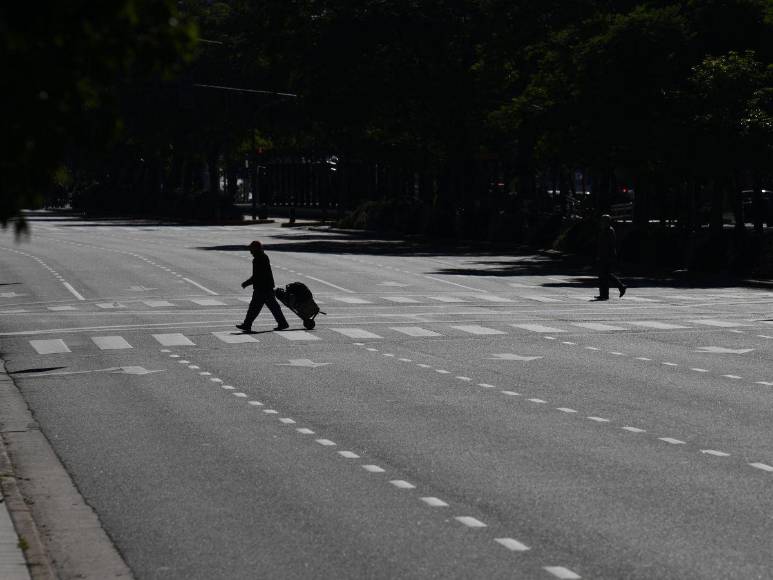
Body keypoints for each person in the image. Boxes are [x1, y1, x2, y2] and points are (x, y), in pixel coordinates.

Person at [236, 240, 289, 331]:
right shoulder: (262, 257)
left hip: (262, 288)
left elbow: (257, 275)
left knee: (255, 307)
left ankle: (247, 324)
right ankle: (282, 323)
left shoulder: (258, 259)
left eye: (251, 249)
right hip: (265, 287)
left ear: (256, 249)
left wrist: (246, 283)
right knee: (271, 307)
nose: (250, 251)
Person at [595, 214, 627, 301]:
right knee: (604, 275)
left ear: (607, 222)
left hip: (607, 256)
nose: (601, 222)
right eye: (601, 221)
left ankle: (618, 288)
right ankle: (604, 294)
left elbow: (611, 245)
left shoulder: (609, 231)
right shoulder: (604, 230)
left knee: (604, 275)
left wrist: (610, 256)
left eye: (603, 221)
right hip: (603, 255)